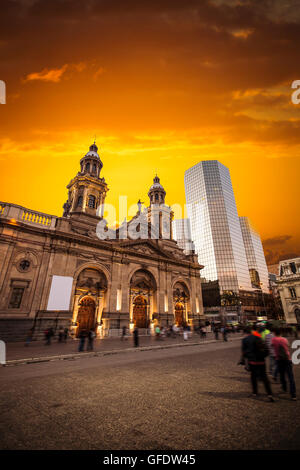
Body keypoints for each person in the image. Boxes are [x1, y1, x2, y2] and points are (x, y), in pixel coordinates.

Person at [242, 324, 274, 402]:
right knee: (264, 378)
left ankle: (255, 392)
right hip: (261, 361)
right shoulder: (258, 337)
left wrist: (246, 361)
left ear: (246, 332)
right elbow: (265, 349)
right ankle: (269, 394)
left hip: (252, 362)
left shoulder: (245, 340)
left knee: (253, 377)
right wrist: (263, 357)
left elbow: (244, 353)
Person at [271, 328, 297, 400]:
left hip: (279, 360)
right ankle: (293, 394)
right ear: (281, 333)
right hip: (287, 359)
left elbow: (271, 346)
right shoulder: (284, 339)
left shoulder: (273, 340)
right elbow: (288, 346)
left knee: (282, 375)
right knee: (290, 377)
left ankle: (284, 388)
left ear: (275, 333)